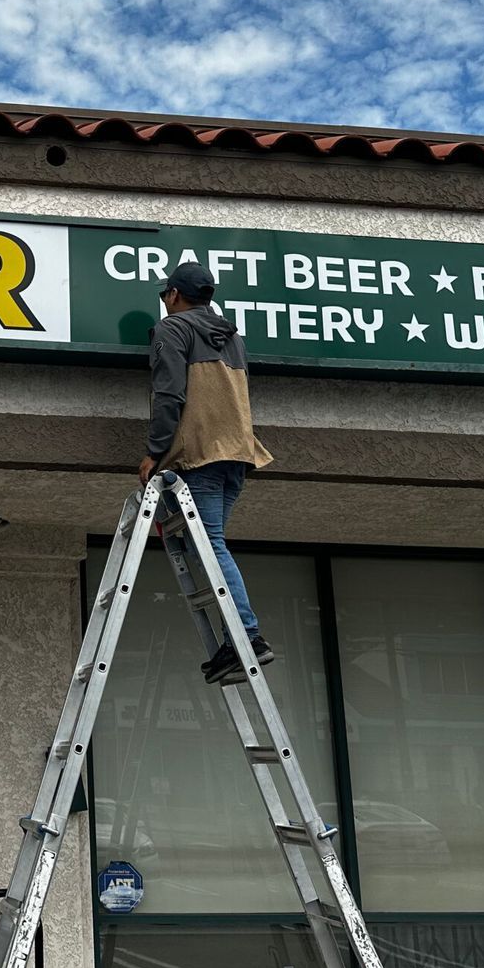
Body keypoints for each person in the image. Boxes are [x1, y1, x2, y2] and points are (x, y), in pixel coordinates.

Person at [137, 260, 275, 679]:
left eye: (165, 294)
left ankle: (248, 638)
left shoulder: (172, 330)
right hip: (237, 453)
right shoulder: (232, 337)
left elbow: (169, 394)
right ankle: (236, 643)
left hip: (200, 454)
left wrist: (154, 451)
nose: (164, 301)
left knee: (211, 546)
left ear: (174, 295)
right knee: (208, 548)